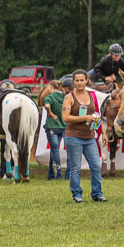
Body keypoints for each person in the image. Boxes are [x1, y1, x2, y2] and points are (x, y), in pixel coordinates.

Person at [61, 70, 105, 203]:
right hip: (73, 137)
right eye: (77, 80)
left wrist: (102, 132)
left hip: (90, 137)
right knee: (75, 167)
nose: (79, 83)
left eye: (82, 80)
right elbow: (65, 117)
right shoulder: (69, 97)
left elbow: (97, 115)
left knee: (96, 165)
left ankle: (97, 193)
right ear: (73, 82)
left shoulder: (92, 95)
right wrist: (84, 117)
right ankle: (77, 194)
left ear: (87, 80)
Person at [38, 79, 67, 180]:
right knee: (55, 151)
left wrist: (50, 113)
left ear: (50, 87)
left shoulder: (49, 97)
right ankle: (52, 175)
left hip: (52, 127)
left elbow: (46, 106)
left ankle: (58, 174)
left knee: (55, 151)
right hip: (63, 126)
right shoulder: (65, 97)